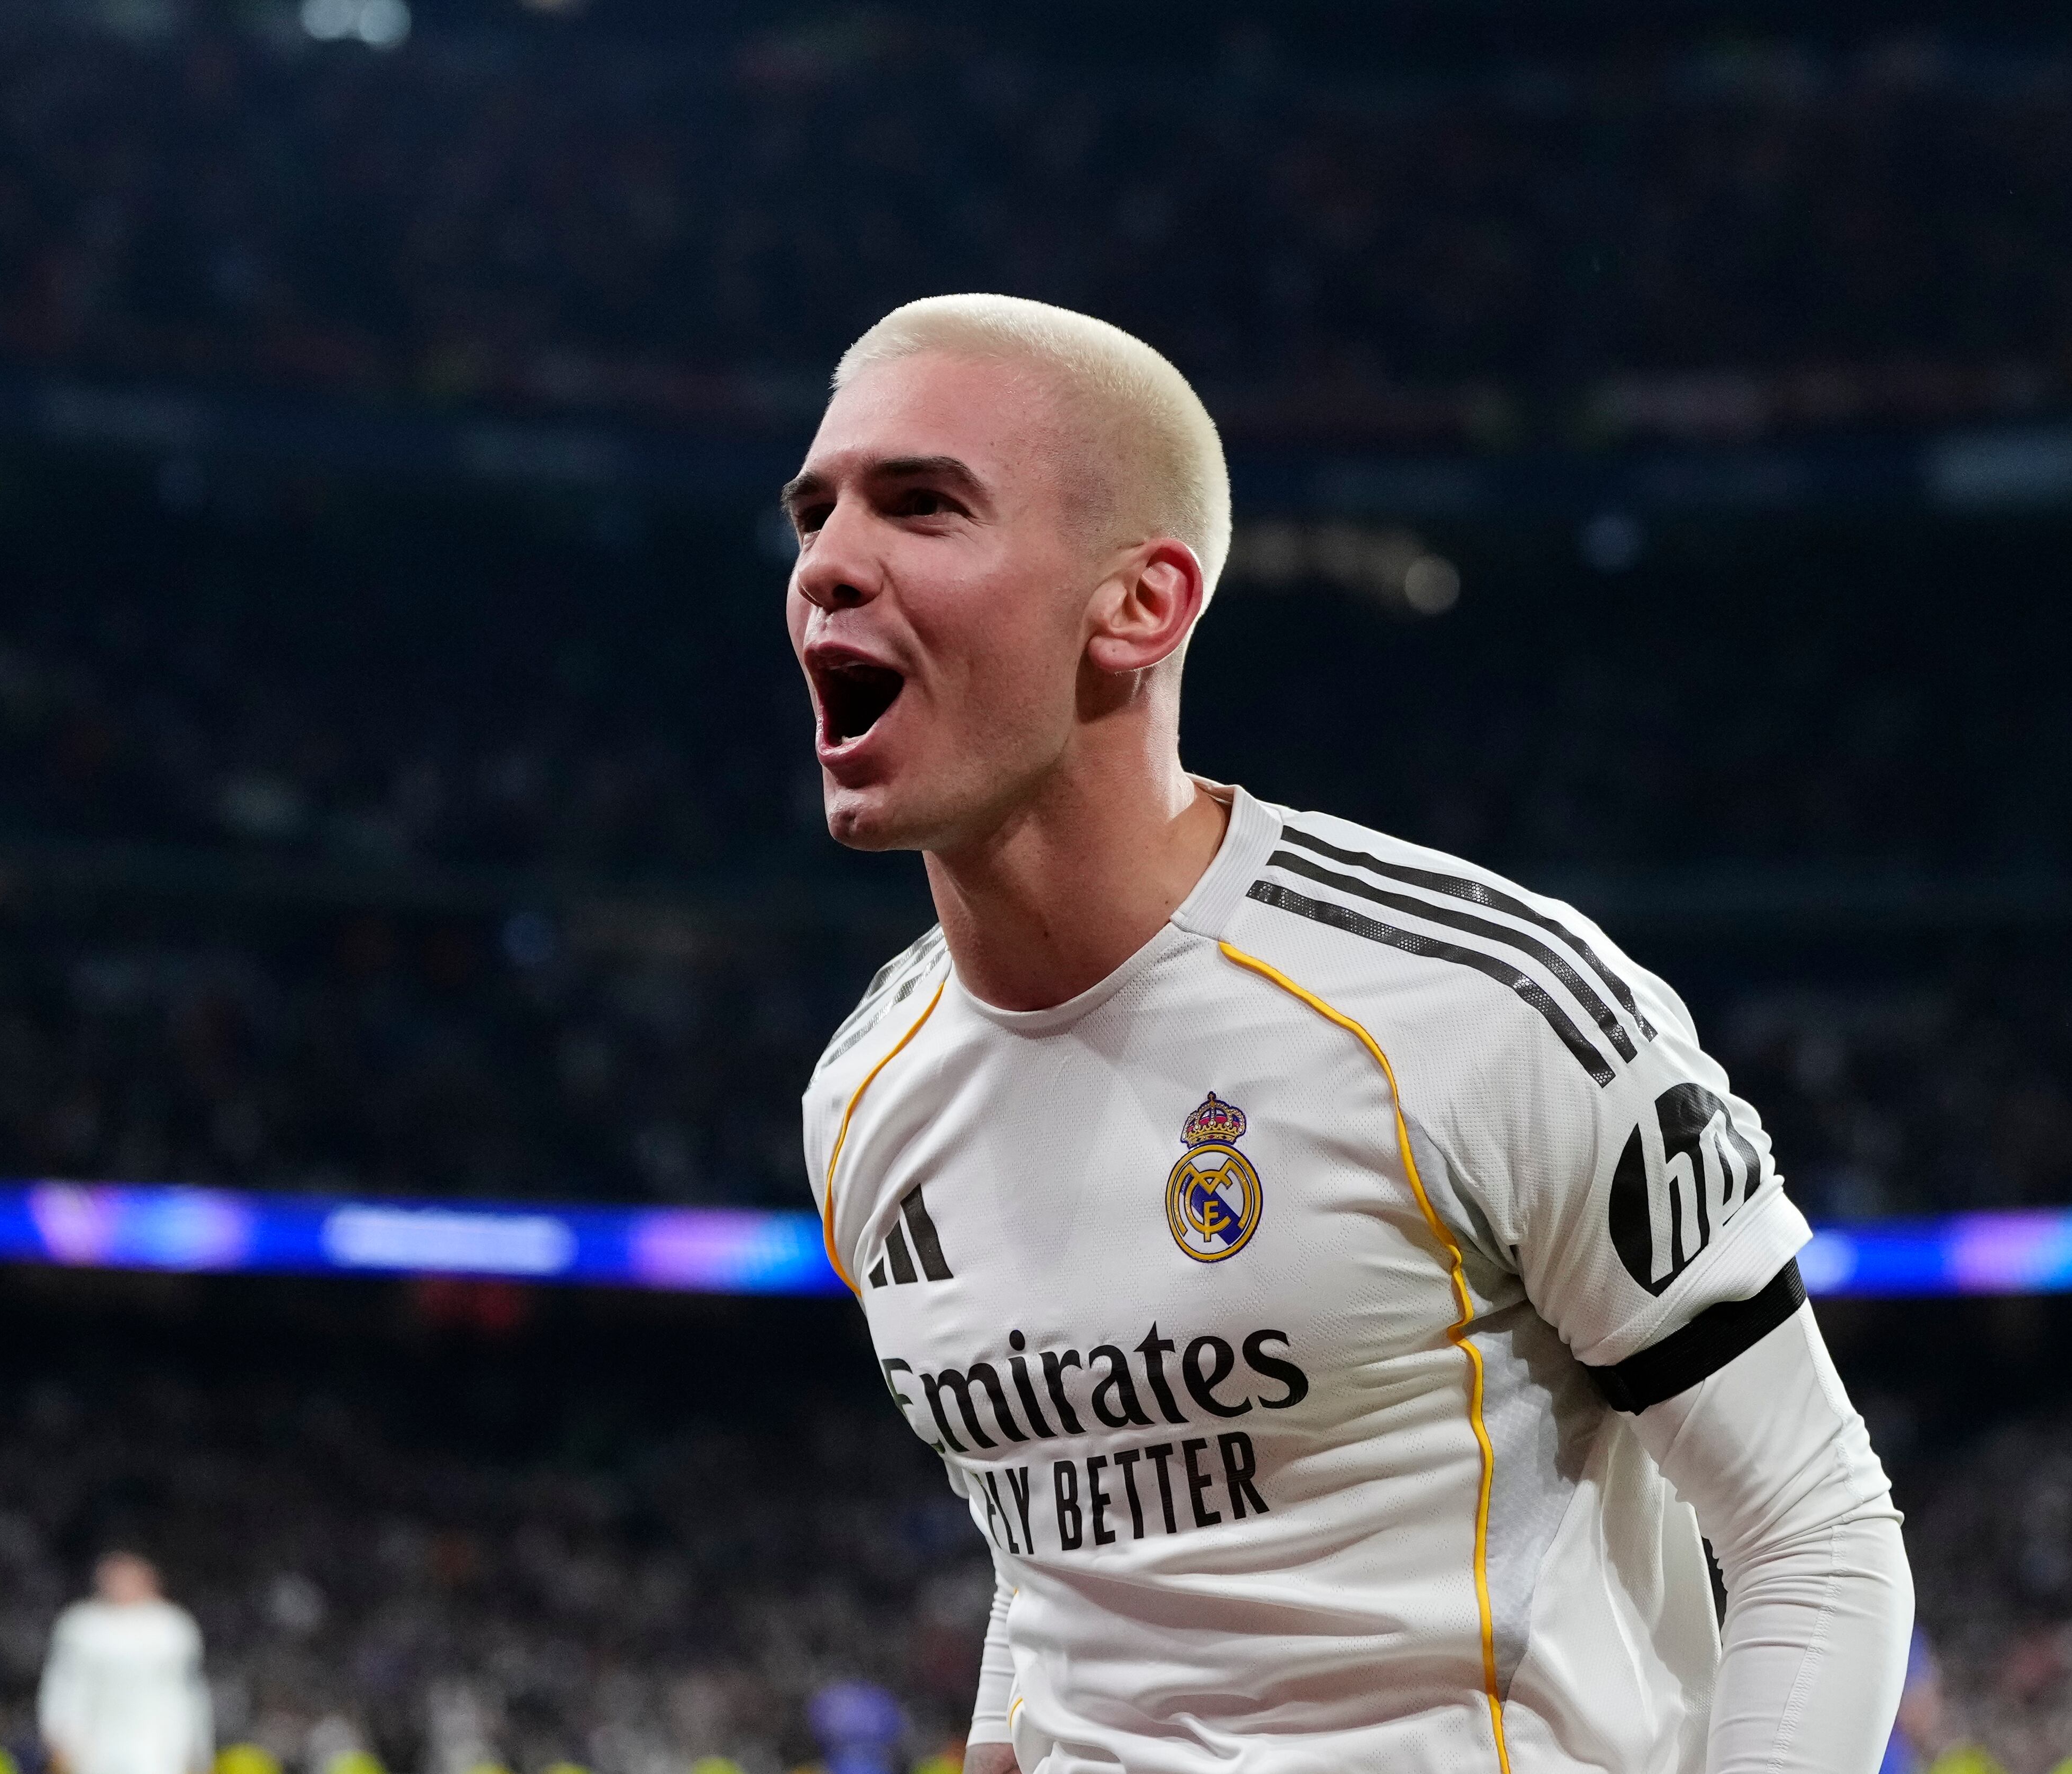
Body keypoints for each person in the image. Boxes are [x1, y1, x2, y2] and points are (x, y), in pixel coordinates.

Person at [786, 293, 1912, 1773]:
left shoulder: (1485, 1004)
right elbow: (1056, 1548)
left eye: (922, 505)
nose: (825, 566)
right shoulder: (864, 1097)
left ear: (1141, 604)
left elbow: (1814, 1531)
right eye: (813, 513)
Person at [39, 1552, 214, 1774]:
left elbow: (189, 1693)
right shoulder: (81, 1625)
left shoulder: (172, 1626)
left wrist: (197, 1749)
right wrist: (58, 1737)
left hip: (159, 1746)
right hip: (95, 1744)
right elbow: (63, 1687)